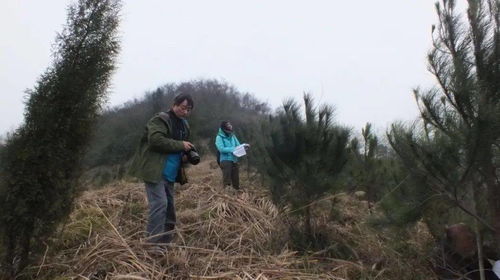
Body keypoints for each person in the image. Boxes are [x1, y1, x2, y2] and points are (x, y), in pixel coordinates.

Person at [129, 93, 194, 244]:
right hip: (155, 171)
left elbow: (179, 148)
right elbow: (155, 140)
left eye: (188, 109)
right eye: (183, 107)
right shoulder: (161, 119)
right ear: (174, 105)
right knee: (160, 204)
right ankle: (152, 243)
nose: (185, 112)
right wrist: (180, 145)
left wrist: (184, 156)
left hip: (170, 173)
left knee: (169, 208)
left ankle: (164, 243)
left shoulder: (185, 125)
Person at [215, 121, 248, 190]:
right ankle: (227, 195)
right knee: (227, 180)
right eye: (228, 125)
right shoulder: (219, 137)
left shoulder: (233, 136)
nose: (230, 126)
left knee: (236, 180)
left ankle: (236, 194)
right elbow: (221, 149)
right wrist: (233, 149)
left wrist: (244, 146)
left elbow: (238, 145)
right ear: (224, 127)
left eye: (230, 124)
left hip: (234, 159)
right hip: (225, 160)